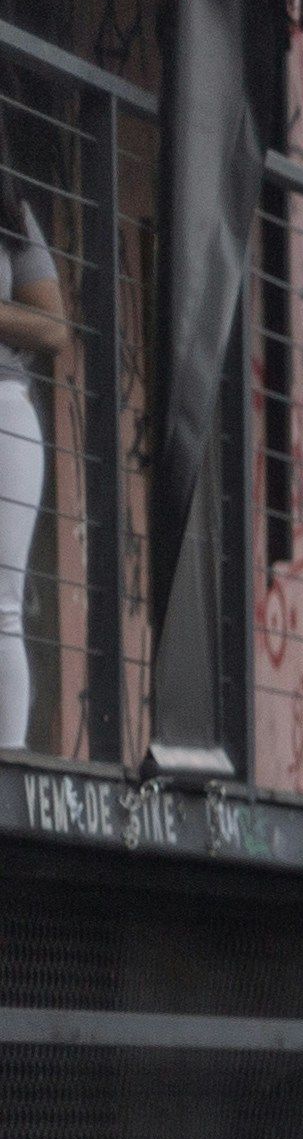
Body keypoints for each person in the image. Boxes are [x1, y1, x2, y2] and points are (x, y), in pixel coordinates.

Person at [0, 192, 63, 753]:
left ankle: (6, 765)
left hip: (2, 409)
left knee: (1, 607)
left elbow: (51, 325)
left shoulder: (10, 211)